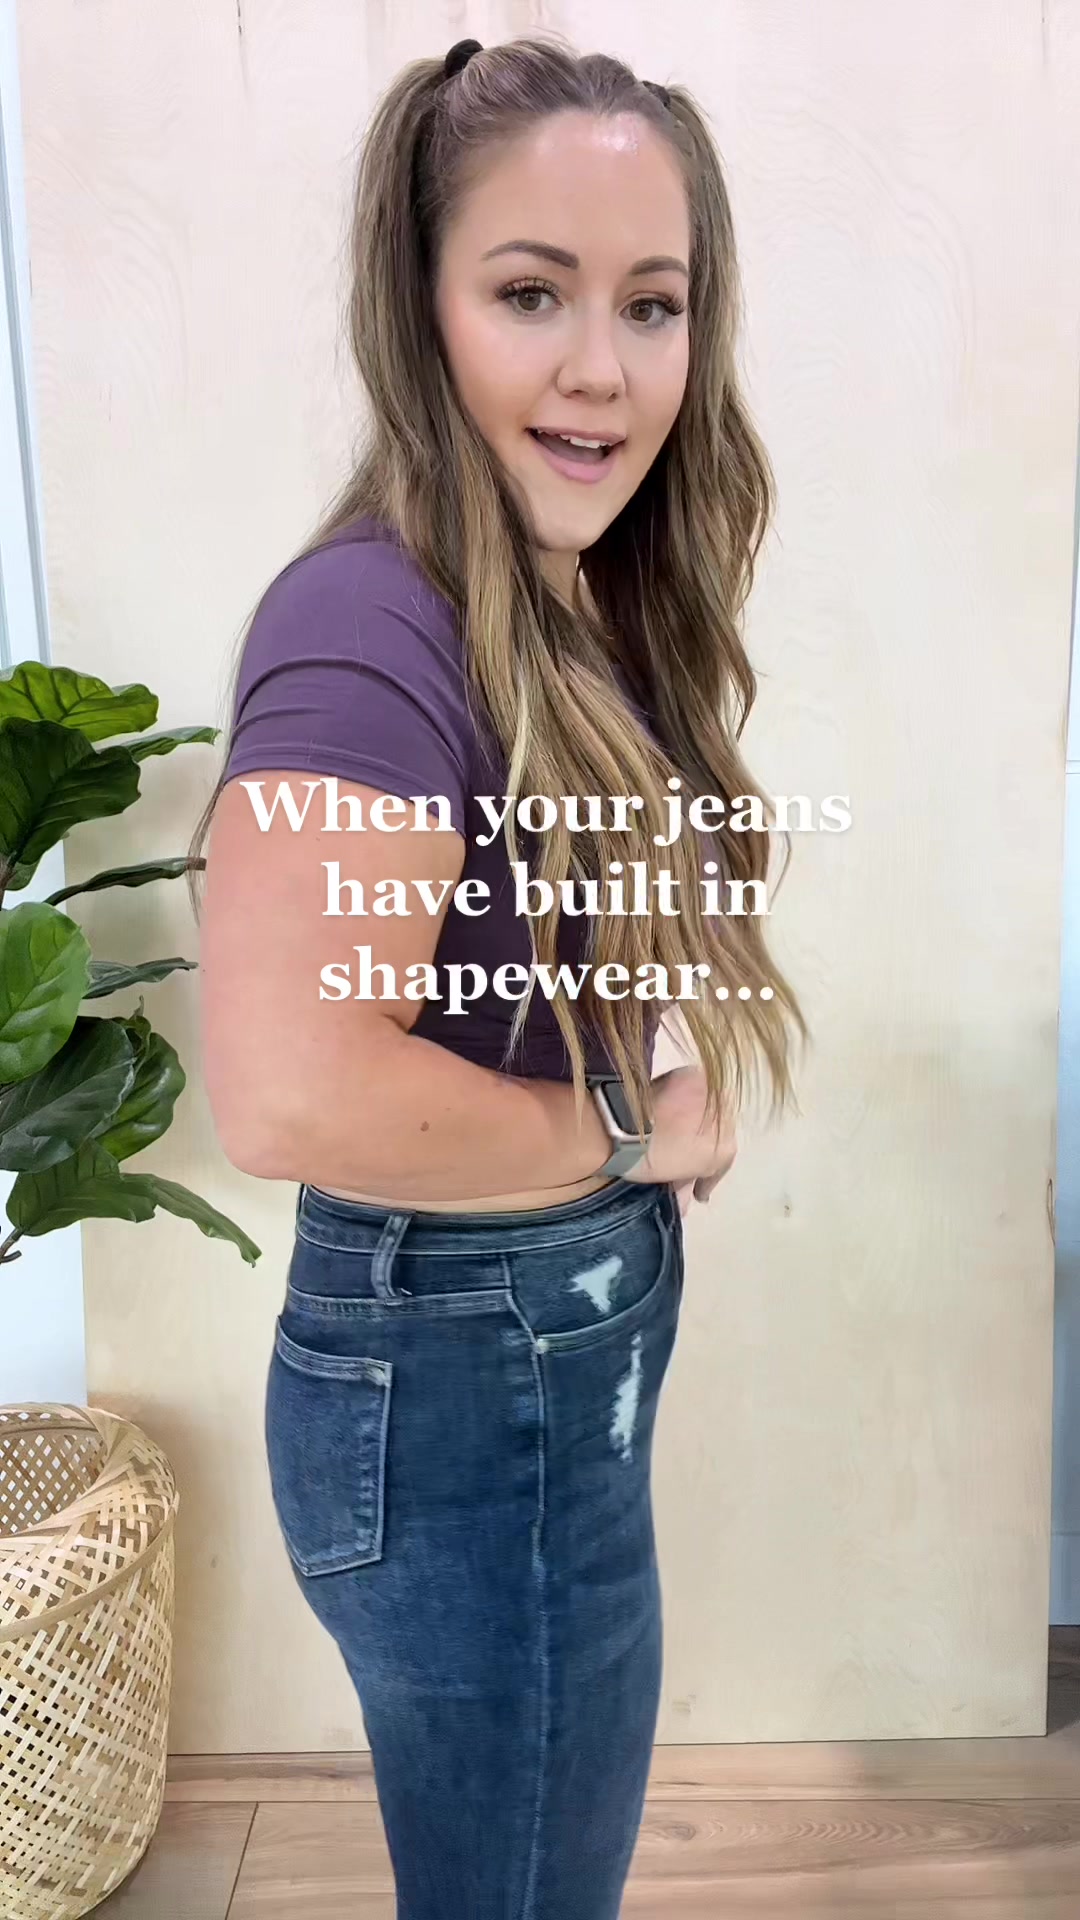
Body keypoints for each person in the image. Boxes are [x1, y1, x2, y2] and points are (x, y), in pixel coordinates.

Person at [193, 32, 807, 1920]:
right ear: (422, 305)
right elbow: (289, 1089)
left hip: (515, 1364)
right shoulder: (369, 627)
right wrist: (625, 1133)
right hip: (475, 1377)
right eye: (531, 293)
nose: (602, 369)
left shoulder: (547, 591)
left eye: (653, 304)